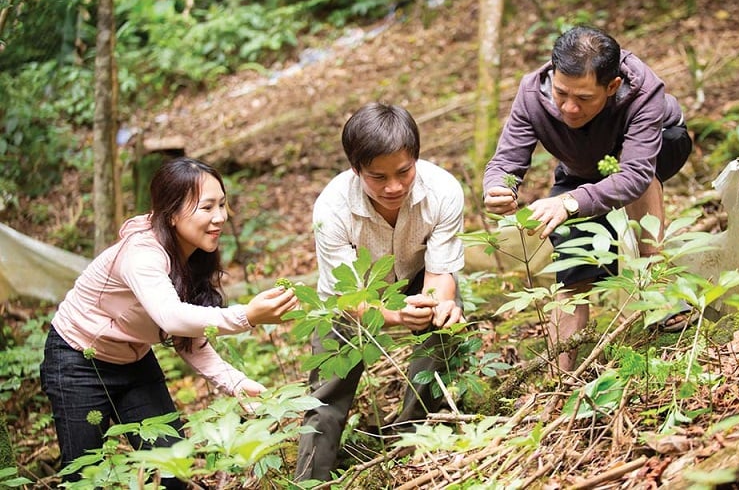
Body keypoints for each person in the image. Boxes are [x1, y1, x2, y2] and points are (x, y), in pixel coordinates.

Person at [40, 157, 299, 488]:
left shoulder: (193, 252)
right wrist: (246, 316)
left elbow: (187, 335)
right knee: (82, 477)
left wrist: (234, 382)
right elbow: (172, 317)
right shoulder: (142, 254)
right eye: (207, 208)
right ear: (172, 213)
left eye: (222, 204)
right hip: (77, 358)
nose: (219, 217)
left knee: (172, 468)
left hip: (134, 359)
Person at [483, 25, 693, 372]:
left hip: (657, 149)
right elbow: (506, 161)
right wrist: (499, 187)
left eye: (583, 98)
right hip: (583, 171)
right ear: (553, 74)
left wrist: (569, 203)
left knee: (640, 177)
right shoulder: (533, 92)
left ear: (612, 87)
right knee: (572, 265)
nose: (569, 107)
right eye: (561, 93)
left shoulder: (643, 91)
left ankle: (659, 292)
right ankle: (560, 374)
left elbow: (636, 174)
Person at [294, 102, 466, 482]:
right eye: (378, 177)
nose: (394, 187)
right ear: (355, 170)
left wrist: (439, 303)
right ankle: (311, 477)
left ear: (416, 159)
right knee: (327, 392)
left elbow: (441, 273)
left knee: (443, 335)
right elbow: (348, 297)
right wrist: (393, 315)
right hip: (350, 296)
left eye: (404, 172)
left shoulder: (443, 191)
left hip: (416, 277)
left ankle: (413, 439)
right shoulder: (332, 208)